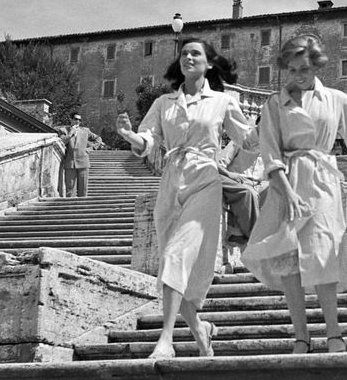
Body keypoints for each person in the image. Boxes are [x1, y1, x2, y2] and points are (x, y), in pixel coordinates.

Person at [241, 35, 347, 354]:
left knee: (323, 253)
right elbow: (271, 153)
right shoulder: (275, 104)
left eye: (303, 68)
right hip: (285, 183)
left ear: (316, 65)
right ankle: (301, 336)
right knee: (288, 261)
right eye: (291, 70)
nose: (297, 76)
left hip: (321, 182)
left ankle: (334, 333)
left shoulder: (336, 99)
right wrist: (286, 192)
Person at [115, 37, 256, 359]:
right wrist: (129, 136)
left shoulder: (222, 102)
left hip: (205, 181)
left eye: (196, 53)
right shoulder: (164, 103)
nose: (188, 57)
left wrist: (275, 124)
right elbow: (148, 140)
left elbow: (248, 141)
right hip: (171, 182)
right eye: (184, 53)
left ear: (208, 63)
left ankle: (166, 340)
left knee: (177, 255)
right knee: (170, 261)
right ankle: (199, 328)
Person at [218, 116, 268, 248]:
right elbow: (220, 163)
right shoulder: (240, 140)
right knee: (248, 193)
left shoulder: (271, 146)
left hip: (258, 183)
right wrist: (230, 175)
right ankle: (254, 237)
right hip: (236, 179)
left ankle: (243, 234)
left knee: (279, 191)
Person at [58, 112, 102, 197]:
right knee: (70, 190)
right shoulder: (63, 130)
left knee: (83, 189)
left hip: (83, 161)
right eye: (75, 119)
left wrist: (91, 148)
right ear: (70, 119)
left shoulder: (85, 130)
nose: (78, 121)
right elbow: (62, 141)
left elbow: (98, 139)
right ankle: (70, 208)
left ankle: (83, 206)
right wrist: (71, 133)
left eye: (79, 120)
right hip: (70, 163)